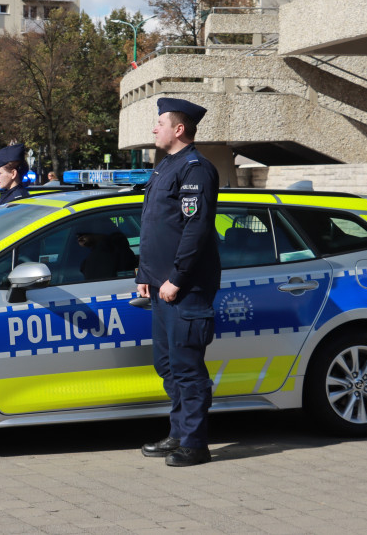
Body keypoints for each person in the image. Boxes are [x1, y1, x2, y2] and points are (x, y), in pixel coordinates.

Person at [135, 97, 220, 468]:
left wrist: (176, 278)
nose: (154, 128)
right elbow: (153, 226)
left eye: (159, 122)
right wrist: (145, 275)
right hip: (160, 288)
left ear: (178, 129)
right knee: (166, 365)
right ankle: (179, 432)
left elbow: (195, 230)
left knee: (187, 368)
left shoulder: (195, 169)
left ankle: (195, 443)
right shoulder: (165, 167)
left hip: (184, 290)